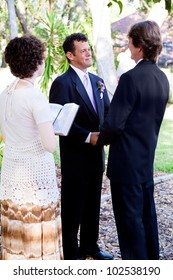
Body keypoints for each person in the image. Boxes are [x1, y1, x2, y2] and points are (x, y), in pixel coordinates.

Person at [96, 20, 169, 260]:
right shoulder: (162, 77)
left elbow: (115, 124)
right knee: (147, 217)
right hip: (145, 160)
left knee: (129, 223)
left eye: (129, 42)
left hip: (125, 164)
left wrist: (99, 138)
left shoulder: (130, 78)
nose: (127, 47)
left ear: (138, 45)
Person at [49, 33, 112, 260]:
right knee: (73, 207)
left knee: (92, 205)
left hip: (96, 156)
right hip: (75, 156)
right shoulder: (62, 83)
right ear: (70, 55)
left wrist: (109, 131)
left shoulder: (98, 80)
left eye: (89, 49)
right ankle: (71, 253)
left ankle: (90, 247)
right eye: (83, 50)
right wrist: (87, 136)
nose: (88, 53)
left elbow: (107, 111)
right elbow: (58, 120)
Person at [0, 35, 63, 260]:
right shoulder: (35, 97)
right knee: (37, 234)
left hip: (11, 172)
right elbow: (49, 145)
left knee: (16, 231)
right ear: (35, 62)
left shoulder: (4, 94)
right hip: (35, 175)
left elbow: (7, 137)